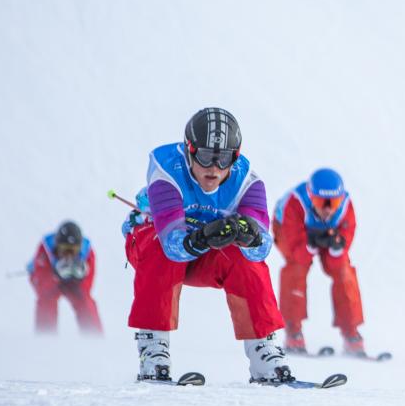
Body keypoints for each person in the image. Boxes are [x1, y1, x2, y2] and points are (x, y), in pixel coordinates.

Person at [123, 107, 292, 383]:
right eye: (204, 157)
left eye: (223, 159)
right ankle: (153, 350)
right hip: (158, 247)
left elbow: (262, 250)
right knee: (156, 246)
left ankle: (263, 350)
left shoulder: (247, 182)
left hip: (203, 258)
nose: (213, 168)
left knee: (244, 257)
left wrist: (249, 236)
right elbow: (171, 246)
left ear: (234, 158)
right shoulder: (166, 170)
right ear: (189, 150)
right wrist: (201, 237)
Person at [272, 168, 365, 356]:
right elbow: (294, 248)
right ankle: (293, 331)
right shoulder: (295, 203)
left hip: (324, 233)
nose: (328, 209)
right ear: (310, 196)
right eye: (322, 202)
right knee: (296, 268)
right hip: (289, 230)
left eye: (334, 202)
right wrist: (311, 244)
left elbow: (343, 244)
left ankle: (351, 333)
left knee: (343, 270)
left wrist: (335, 246)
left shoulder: (346, 208)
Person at [27, 221, 104, 334]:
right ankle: (45, 336)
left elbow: (87, 286)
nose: (69, 254)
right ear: (57, 246)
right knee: (46, 299)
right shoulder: (45, 250)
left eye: (73, 250)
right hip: (49, 277)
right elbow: (42, 285)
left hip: (75, 282)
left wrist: (78, 283)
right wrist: (56, 278)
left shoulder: (87, 253)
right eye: (64, 249)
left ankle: (93, 335)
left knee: (85, 300)